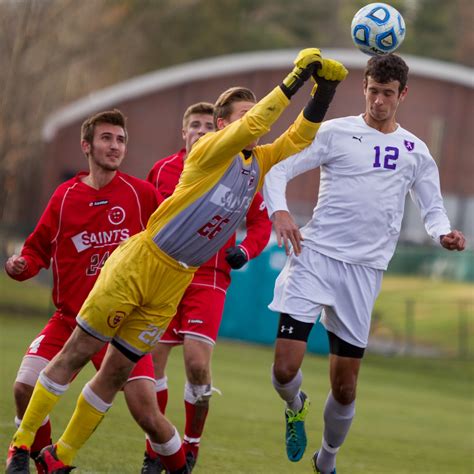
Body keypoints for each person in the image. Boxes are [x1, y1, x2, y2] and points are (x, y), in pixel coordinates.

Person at [6, 48, 348, 474]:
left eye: (252, 114)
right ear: (223, 125)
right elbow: (261, 122)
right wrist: (298, 77)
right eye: (243, 116)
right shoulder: (207, 152)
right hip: (142, 262)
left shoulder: (254, 163)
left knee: (114, 374)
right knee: (78, 351)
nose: (253, 122)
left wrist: (325, 91)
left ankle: (61, 458)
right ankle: (20, 448)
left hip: (176, 280)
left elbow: (297, 138)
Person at [262, 53, 466, 474]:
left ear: (402, 95)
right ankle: (295, 404)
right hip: (314, 256)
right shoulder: (335, 133)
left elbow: (432, 207)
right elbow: (278, 169)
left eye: (388, 94)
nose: (378, 101)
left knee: (346, 386)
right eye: (373, 91)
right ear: (364, 88)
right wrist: (279, 211)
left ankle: (327, 461)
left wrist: (442, 232)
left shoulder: (415, 150)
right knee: (284, 370)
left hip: (364, 272)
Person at [4, 109, 191, 473]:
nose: (115, 146)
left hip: (123, 325)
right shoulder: (65, 196)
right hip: (71, 320)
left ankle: (180, 465)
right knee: (24, 387)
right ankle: (44, 464)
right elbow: (37, 249)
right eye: (107, 138)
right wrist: (21, 266)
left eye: (121, 139)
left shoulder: (142, 195)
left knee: (147, 415)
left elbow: (174, 239)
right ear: (86, 146)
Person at [145, 102, 272, 471]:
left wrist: (245, 250)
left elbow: (260, 222)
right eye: (194, 125)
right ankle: (157, 451)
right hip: (164, 275)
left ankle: (192, 444)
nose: (200, 131)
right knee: (152, 364)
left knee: (198, 365)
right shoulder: (163, 170)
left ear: (217, 129)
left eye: (206, 125)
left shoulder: (234, 168)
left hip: (208, 277)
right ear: (184, 132)